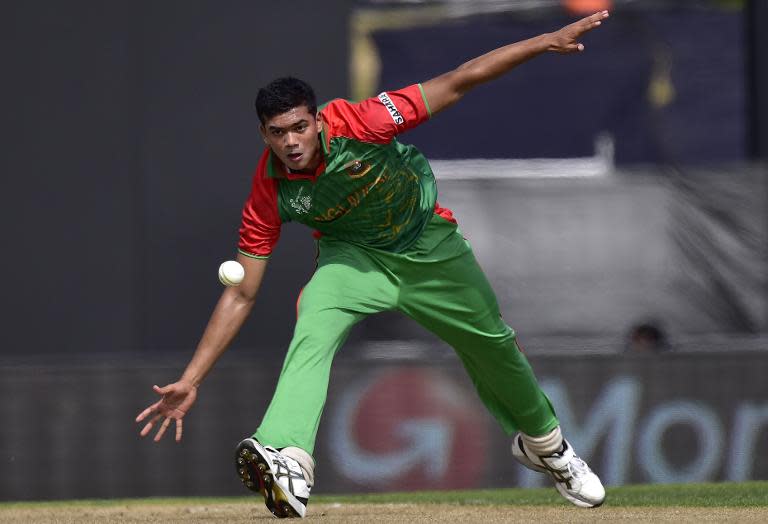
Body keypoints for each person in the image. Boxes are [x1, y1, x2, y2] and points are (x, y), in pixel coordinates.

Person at [136, 10, 610, 518]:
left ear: (317, 121)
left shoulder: (364, 122)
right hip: (352, 260)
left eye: (300, 127)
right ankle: (287, 454)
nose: (291, 142)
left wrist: (542, 42)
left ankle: (550, 449)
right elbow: (241, 291)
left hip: (427, 245)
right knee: (314, 318)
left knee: (494, 345)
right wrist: (193, 378)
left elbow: (458, 80)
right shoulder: (269, 189)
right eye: (278, 133)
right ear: (264, 135)